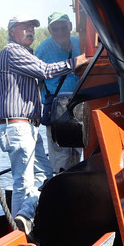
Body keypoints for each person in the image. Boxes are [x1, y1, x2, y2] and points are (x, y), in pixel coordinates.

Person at [0, 14, 89, 230]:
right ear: (12, 31)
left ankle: (27, 216)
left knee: (44, 174)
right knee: (24, 183)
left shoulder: (25, 53)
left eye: (32, 27)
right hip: (18, 126)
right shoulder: (12, 51)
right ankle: (20, 233)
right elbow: (45, 71)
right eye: (24, 27)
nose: (30, 31)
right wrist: (78, 61)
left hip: (29, 126)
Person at [35, 10, 83, 174]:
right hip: (57, 111)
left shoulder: (80, 43)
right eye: (55, 29)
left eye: (63, 27)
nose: (60, 32)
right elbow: (37, 83)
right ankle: (61, 188)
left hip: (80, 108)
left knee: (77, 152)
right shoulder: (43, 50)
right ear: (50, 30)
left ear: (70, 26)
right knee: (60, 156)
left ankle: (75, 187)